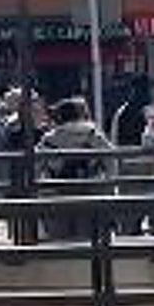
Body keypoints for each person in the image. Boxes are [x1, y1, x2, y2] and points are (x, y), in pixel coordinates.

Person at [36, 97, 116, 240]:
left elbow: (35, 166)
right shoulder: (94, 135)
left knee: (60, 241)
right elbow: (111, 161)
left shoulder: (49, 139)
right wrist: (108, 187)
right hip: (91, 192)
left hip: (58, 194)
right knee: (90, 239)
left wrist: (41, 190)